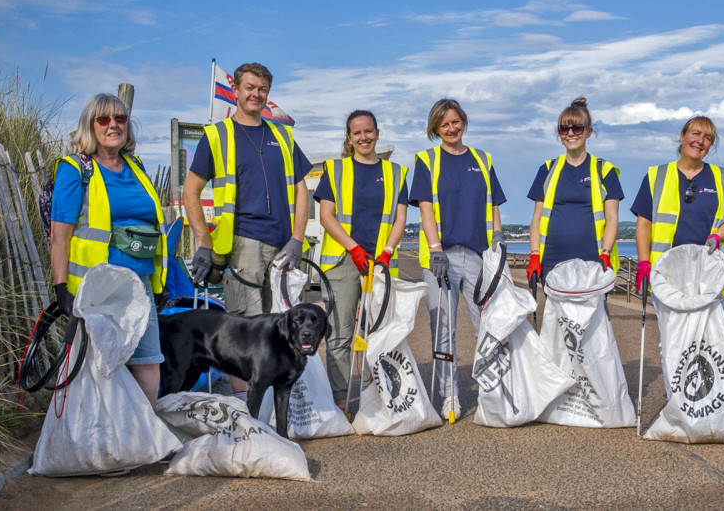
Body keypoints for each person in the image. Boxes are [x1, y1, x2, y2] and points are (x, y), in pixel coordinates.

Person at [183, 62, 310, 403]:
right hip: (242, 244)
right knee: (245, 330)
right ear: (236, 90)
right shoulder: (216, 135)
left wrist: (297, 238)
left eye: (262, 89)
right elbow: (189, 192)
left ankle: (274, 409)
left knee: (283, 328)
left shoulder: (283, 136)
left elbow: (301, 190)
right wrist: (203, 244)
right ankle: (246, 414)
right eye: (250, 87)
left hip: (283, 244)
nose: (256, 94)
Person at [50, 94, 166, 408]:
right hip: (97, 287)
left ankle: (143, 441)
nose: (113, 125)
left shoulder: (135, 166)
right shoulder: (76, 169)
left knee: (147, 361)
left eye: (120, 118)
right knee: (98, 367)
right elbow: (60, 236)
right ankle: (98, 442)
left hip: (138, 284)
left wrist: (160, 282)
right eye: (104, 119)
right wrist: (61, 288)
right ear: (90, 126)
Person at [410, 98, 506, 419]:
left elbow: (493, 206)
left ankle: (493, 390)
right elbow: (425, 207)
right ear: (436, 129)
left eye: (455, 122)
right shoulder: (427, 160)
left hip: (478, 256)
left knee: (487, 325)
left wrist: (499, 242)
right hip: (442, 257)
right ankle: (448, 394)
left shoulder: (482, 159)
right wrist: (435, 248)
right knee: (443, 329)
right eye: (444, 124)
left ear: (463, 122)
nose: (451, 128)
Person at [315, 110, 408, 410]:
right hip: (342, 261)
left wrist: (387, 252)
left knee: (377, 332)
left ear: (377, 133)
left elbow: (399, 219)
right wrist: (353, 248)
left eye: (368, 131)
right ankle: (342, 402)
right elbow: (326, 216)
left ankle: (374, 397)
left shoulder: (396, 173)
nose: (364, 137)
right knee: (340, 335)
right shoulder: (335, 169)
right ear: (349, 138)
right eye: (357, 133)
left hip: (379, 264)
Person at [631, 116, 724, 313]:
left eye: (707, 138)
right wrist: (643, 263)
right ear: (682, 137)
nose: (700, 141)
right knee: (672, 339)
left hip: (710, 272)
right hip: (667, 272)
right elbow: (644, 223)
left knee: (709, 340)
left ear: (711, 145)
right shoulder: (656, 176)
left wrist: (719, 235)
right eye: (695, 134)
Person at [527, 98, 623, 284]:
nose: (570, 134)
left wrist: (606, 253)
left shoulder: (604, 170)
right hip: (552, 261)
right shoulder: (547, 170)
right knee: (557, 314)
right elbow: (537, 217)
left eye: (577, 128)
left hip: (593, 261)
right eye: (564, 129)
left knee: (594, 313)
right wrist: (534, 255)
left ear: (588, 132)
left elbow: (612, 217)